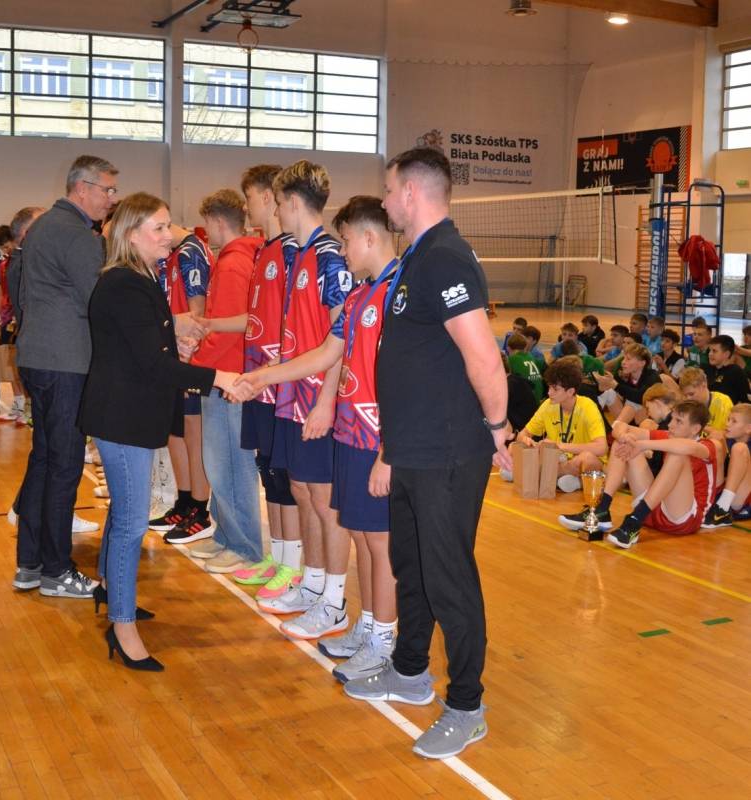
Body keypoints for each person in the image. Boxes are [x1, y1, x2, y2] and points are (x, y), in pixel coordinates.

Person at [342, 147, 511, 761]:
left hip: (447, 452)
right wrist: (391, 448)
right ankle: (410, 670)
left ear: (411, 193)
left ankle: (467, 706)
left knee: (448, 577)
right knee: (410, 568)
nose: (386, 200)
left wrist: (498, 426)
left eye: (390, 190)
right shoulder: (418, 256)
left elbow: (483, 357)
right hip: (412, 449)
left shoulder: (445, 257)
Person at [235, 195, 398, 675]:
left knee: (380, 541)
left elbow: (407, 377)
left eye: (346, 241)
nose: (342, 251)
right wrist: (264, 377)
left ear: (369, 237)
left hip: (377, 435)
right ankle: (368, 623)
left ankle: (385, 637)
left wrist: (391, 447)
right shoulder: (360, 295)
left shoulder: (399, 295)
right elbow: (328, 353)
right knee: (362, 534)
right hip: (350, 430)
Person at [78, 192, 240, 671]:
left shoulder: (138, 278)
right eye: (159, 228)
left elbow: (144, 346)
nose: (170, 236)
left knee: (123, 513)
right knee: (131, 523)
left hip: (126, 414)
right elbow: (152, 363)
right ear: (133, 236)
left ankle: (110, 590)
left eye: (169, 226)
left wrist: (176, 339)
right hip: (123, 418)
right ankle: (123, 626)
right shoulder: (125, 285)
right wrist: (219, 377)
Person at [252, 160, 352, 637]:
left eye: (277, 202)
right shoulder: (297, 254)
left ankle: (334, 600)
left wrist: (326, 401)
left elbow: (343, 337)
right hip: (292, 397)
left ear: (292, 202)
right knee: (301, 491)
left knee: (325, 500)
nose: (275, 211)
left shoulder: (330, 257)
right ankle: (312, 585)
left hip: (318, 400)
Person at [12, 155, 118, 597]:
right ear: (82, 188)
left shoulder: (42, 227)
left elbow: (22, 294)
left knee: (44, 460)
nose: (111, 199)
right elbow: (101, 303)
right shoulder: (78, 235)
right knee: (64, 465)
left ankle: (31, 563)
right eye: (107, 190)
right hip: (66, 363)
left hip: (38, 357)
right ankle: (56, 570)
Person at [231, 164, 303, 601]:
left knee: (285, 474)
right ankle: (277, 557)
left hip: (282, 387)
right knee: (268, 471)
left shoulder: (293, 252)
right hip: (259, 382)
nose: (246, 208)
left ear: (267, 197)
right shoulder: (264, 251)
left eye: (249, 198)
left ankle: (293, 565)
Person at [186, 189, 263, 573]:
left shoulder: (233, 263)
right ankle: (226, 536)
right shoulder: (238, 257)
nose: (206, 233)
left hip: (226, 379)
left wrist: (196, 367)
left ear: (218, 222)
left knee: (230, 464)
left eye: (207, 225)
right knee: (220, 463)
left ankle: (244, 546)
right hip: (224, 375)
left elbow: (228, 332)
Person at [559, 400, 723, 548]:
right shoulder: (668, 436)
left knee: (677, 455)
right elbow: (621, 427)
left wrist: (642, 444)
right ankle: (602, 509)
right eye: (672, 419)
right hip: (654, 510)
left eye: (678, 421)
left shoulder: (710, 445)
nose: (670, 425)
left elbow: (686, 447)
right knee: (623, 443)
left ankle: (634, 520)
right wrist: (625, 437)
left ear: (695, 429)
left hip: (684, 519)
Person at [150, 223, 215, 543]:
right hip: (172, 355)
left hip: (188, 358)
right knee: (175, 431)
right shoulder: (173, 255)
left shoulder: (191, 252)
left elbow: (197, 312)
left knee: (192, 433)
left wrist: (188, 351)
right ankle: (185, 500)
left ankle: (200, 510)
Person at [513, 358, 607, 493]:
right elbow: (522, 434)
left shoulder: (588, 406)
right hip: (557, 460)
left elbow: (601, 448)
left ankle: (542, 475)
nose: (549, 393)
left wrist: (560, 445)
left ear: (570, 392)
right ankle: (567, 478)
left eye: (555, 389)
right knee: (513, 447)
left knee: (587, 459)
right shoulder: (548, 405)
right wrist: (527, 440)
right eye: (549, 387)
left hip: (579, 462)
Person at [0, 207, 44, 422]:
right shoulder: (5, 264)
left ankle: (28, 406)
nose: (6, 250)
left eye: (7, 245)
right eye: (2, 248)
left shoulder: (26, 262)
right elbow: (0, 293)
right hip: (7, 318)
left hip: (18, 319)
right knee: (7, 363)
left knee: (21, 365)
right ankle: (19, 404)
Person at [702, 403, 751, 526]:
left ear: (748, 428)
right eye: (728, 419)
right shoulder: (726, 440)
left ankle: (722, 508)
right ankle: (715, 504)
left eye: (734, 421)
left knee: (739, 448)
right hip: (724, 495)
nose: (727, 424)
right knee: (716, 442)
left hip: (742, 500)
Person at [595, 342, 661, 424]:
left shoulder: (652, 375)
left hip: (649, 421)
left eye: (628, 359)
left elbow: (641, 397)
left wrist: (615, 385)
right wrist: (602, 386)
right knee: (607, 391)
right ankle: (597, 423)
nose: (623, 362)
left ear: (642, 363)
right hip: (629, 417)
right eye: (624, 358)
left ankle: (616, 426)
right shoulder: (622, 375)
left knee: (632, 402)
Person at [678, 367, 732, 437]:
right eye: (685, 395)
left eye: (691, 394)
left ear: (704, 385)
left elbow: (726, 434)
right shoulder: (686, 405)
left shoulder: (723, 403)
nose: (688, 399)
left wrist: (701, 427)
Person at [706, 335, 749, 405]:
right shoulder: (707, 369)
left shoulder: (736, 372)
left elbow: (745, 401)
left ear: (726, 354)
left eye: (714, 351)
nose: (710, 354)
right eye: (709, 350)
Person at [506, 332, 543, 403]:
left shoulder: (512, 359)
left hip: (528, 401)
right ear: (525, 347)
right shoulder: (530, 356)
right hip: (538, 398)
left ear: (508, 348)